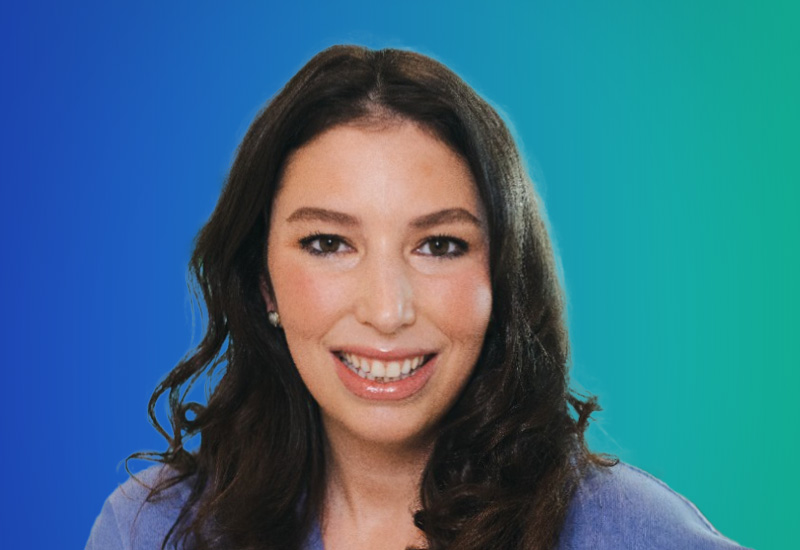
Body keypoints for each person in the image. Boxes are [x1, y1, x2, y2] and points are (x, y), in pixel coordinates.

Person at [87, 45, 748, 550]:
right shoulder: (151, 528)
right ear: (264, 283)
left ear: (502, 277)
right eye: (328, 243)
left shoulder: (626, 533)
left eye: (440, 245)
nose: (386, 310)